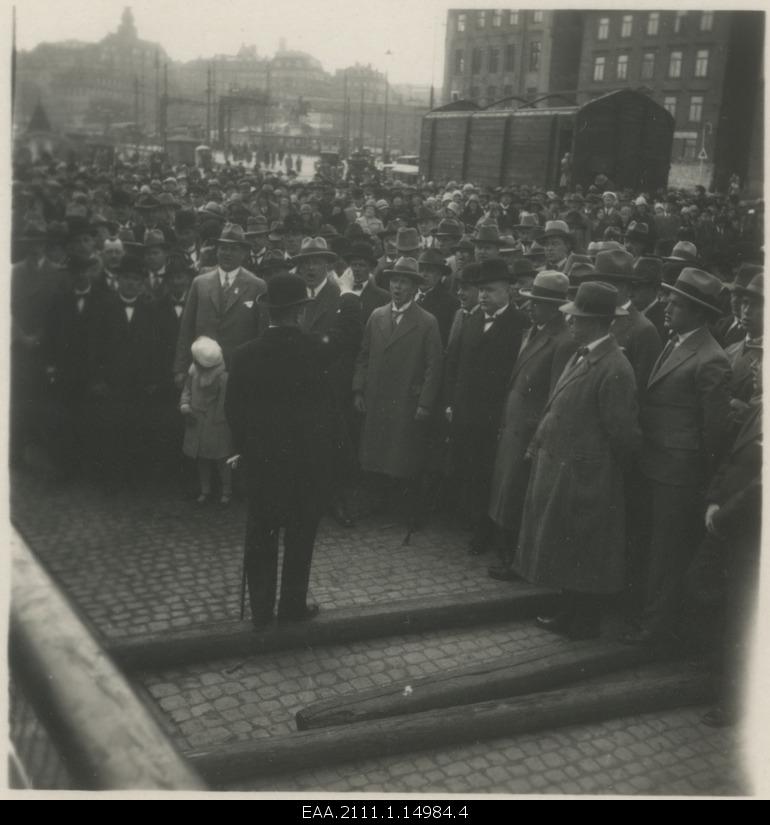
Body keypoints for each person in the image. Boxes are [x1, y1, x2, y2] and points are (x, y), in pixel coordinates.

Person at [225, 273, 360, 628]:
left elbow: (233, 413)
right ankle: (292, 609)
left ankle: (261, 614)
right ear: (300, 313)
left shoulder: (242, 356)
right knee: (300, 541)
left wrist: (245, 450)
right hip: (306, 468)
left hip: (262, 466)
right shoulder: (314, 349)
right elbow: (345, 335)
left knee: (261, 540)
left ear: (268, 312)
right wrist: (347, 295)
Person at [516, 281, 641, 640]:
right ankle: (569, 612)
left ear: (598, 322)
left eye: (577, 317)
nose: (569, 321)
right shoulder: (582, 353)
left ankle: (584, 622)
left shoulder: (614, 366)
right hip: (570, 472)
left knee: (586, 552)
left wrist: (600, 469)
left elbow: (623, 434)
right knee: (571, 548)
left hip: (590, 475)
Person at [624, 268, 732, 645]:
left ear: (699, 313)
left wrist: (701, 477)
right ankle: (647, 617)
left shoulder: (710, 358)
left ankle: (655, 630)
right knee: (652, 545)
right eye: (668, 300)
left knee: (666, 554)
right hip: (657, 464)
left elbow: (714, 431)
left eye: (677, 303)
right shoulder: (677, 342)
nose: (667, 307)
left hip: (679, 473)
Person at [487, 271, 576, 580]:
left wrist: (537, 438)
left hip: (529, 431)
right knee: (506, 493)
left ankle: (516, 560)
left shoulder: (562, 340)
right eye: (531, 301)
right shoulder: (532, 331)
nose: (531, 307)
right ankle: (507, 553)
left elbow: (555, 395)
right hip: (512, 424)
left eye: (538, 303)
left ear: (555, 307)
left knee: (518, 496)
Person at [444, 258, 529, 556]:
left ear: (509, 290)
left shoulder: (520, 326)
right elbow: (454, 364)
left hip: (495, 418)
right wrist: (452, 403)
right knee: (468, 471)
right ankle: (471, 522)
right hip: (465, 413)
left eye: (490, 290)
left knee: (489, 475)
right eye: (480, 290)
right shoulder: (471, 320)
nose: (483, 296)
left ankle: (485, 532)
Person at [353, 257, 444, 517]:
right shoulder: (377, 315)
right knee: (375, 452)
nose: (398, 287)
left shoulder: (427, 322)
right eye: (394, 281)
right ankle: (375, 502)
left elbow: (433, 366)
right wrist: (358, 389)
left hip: (405, 399)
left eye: (404, 282)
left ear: (415, 287)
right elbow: (363, 354)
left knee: (401, 454)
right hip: (376, 397)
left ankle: (399, 506)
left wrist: (425, 403)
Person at [173, 223, 266, 384]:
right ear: (217, 250)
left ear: (244, 253)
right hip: (202, 371)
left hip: (239, 373)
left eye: (234, 249)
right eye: (223, 248)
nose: (227, 253)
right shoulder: (200, 283)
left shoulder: (257, 285)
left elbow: (261, 334)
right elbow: (186, 329)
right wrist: (180, 368)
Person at [180, 336, 233, 506]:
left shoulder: (222, 377)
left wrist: (217, 422)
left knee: (221, 459)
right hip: (196, 419)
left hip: (215, 423)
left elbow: (223, 402)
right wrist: (185, 405)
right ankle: (205, 490)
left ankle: (226, 491)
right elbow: (187, 390)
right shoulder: (193, 371)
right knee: (201, 458)